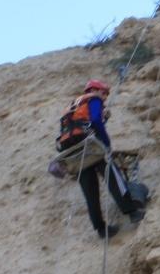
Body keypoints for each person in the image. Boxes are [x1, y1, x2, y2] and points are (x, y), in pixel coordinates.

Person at [57, 79, 144, 239]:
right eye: (104, 93)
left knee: (89, 189)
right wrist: (106, 143)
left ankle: (100, 229)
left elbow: (78, 122)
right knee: (112, 174)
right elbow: (96, 120)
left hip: (70, 149)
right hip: (88, 143)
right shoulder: (93, 99)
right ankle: (132, 212)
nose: (105, 98)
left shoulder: (72, 105)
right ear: (95, 89)